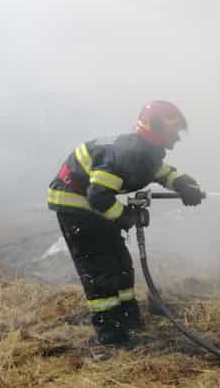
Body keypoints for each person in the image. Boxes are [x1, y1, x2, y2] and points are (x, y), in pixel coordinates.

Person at [47, 100, 205, 346]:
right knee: (100, 269)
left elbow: (162, 172)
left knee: (120, 262)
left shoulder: (144, 152)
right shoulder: (128, 155)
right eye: (174, 132)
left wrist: (184, 184)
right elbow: (98, 195)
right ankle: (110, 332)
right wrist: (125, 216)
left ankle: (128, 318)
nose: (178, 139)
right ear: (157, 130)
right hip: (75, 205)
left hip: (94, 205)